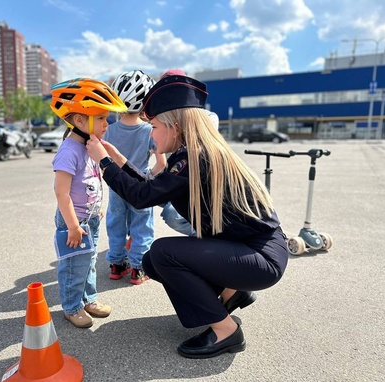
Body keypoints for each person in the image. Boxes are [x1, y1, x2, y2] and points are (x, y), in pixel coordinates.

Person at [86, 74, 289, 358]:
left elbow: (142, 197)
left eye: (154, 126)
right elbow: (151, 187)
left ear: (175, 127)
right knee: (151, 261)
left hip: (259, 258)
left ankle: (226, 332)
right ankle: (232, 292)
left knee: (163, 253)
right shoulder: (193, 153)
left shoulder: (192, 158)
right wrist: (118, 159)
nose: (152, 134)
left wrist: (104, 163)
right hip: (251, 250)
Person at [50, 78, 128, 328]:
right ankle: (72, 307)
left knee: (90, 260)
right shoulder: (69, 150)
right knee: (74, 264)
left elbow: (93, 179)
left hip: (90, 218)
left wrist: (98, 207)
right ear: (80, 120)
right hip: (75, 222)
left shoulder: (90, 146)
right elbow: (62, 193)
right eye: (102, 118)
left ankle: (89, 299)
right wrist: (73, 226)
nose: (107, 124)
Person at [104, 70, 167, 285]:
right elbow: (161, 164)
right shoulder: (150, 130)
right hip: (140, 186)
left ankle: (116, 264)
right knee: (142, 226)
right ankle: (138, 269)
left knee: (116, 224)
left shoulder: (108, 131)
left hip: (116, 187)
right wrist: (147, 176)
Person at [158, 68, 219, 237]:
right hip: (179, 179)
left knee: (172, 213)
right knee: (147, 191)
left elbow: (199, 147)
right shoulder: (163, 119)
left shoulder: (208, 117)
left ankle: (207, 236)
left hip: (201, 183)